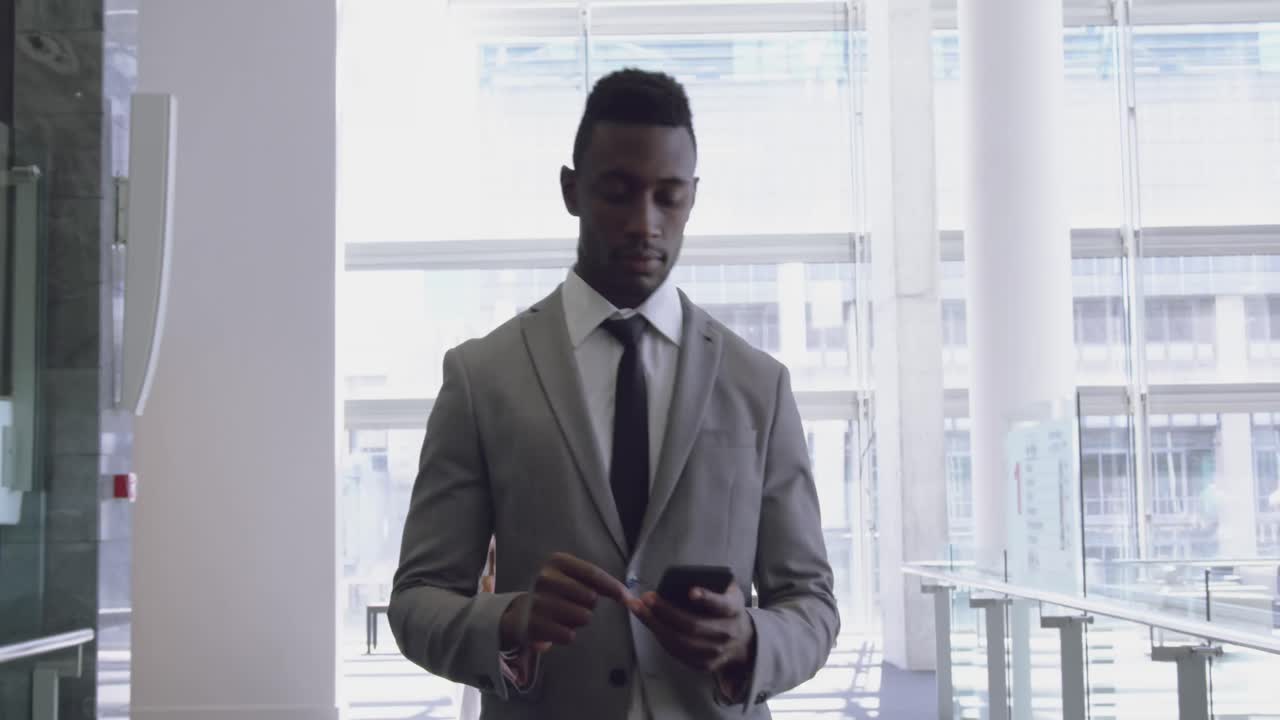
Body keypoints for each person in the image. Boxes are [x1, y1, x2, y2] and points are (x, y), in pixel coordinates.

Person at [390, 68, 838, 719]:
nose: (644, 223)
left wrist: (750, 641)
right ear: (572, 190)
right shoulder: (481, 377)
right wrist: (511, 621)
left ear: (692, 198)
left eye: (668, 196)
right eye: (618, 193)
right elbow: (418, 599)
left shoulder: (758, 385)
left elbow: (813, 604)